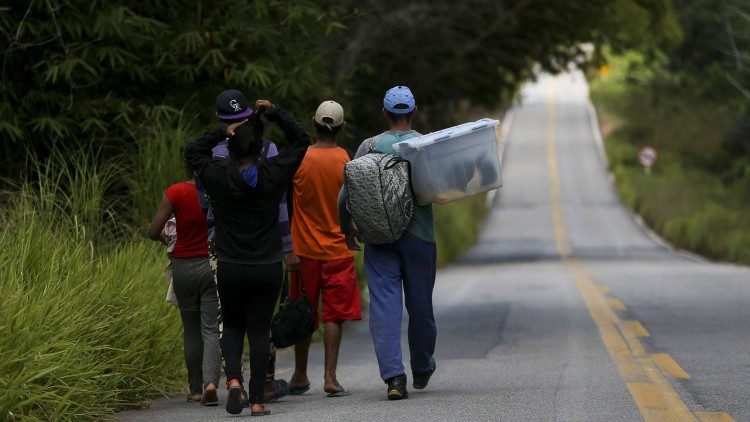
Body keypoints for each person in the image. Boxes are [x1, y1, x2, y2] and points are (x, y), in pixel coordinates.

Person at [185, 98, 309, 416]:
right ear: (259, 148)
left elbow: (193, 152)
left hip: (231, 265)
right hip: (267, 266)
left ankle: (234, 381)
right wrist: (275, 112)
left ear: (231, 148)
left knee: (233, 326)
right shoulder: (273, 175)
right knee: (258, 330)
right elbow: (301, 140)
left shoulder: (219, 177)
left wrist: (222, 131)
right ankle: (256, 401)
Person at [338, 86, 437, 400]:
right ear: (414, 112)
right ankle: (422, 366)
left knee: (384, 307)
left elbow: (346, 194)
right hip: (420, 237)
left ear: (384, 113)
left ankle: (394, 378)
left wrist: (347, 229)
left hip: (379, 237)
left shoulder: (368, 146)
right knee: (420, 305)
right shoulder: (425, 144)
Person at [287, 101, 361, 397]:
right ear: (342, 127)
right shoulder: (347, 160)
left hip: (303, 250)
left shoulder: (299, 159)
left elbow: (286, 203)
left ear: (313, 122)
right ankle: (330, 378)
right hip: (339, 250)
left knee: (303, 312)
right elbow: (353, 204)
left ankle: (300, 375)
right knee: (334, 316)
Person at [147, 161, 221, 407]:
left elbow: (153, 231)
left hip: (183, 268)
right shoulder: (215, 191)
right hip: (209, 265)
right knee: (210, 328)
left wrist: (167, 238)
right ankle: (211, 383)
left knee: (191, 330)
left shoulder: (175, 192)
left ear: (186, 167)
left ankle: (196, 390)